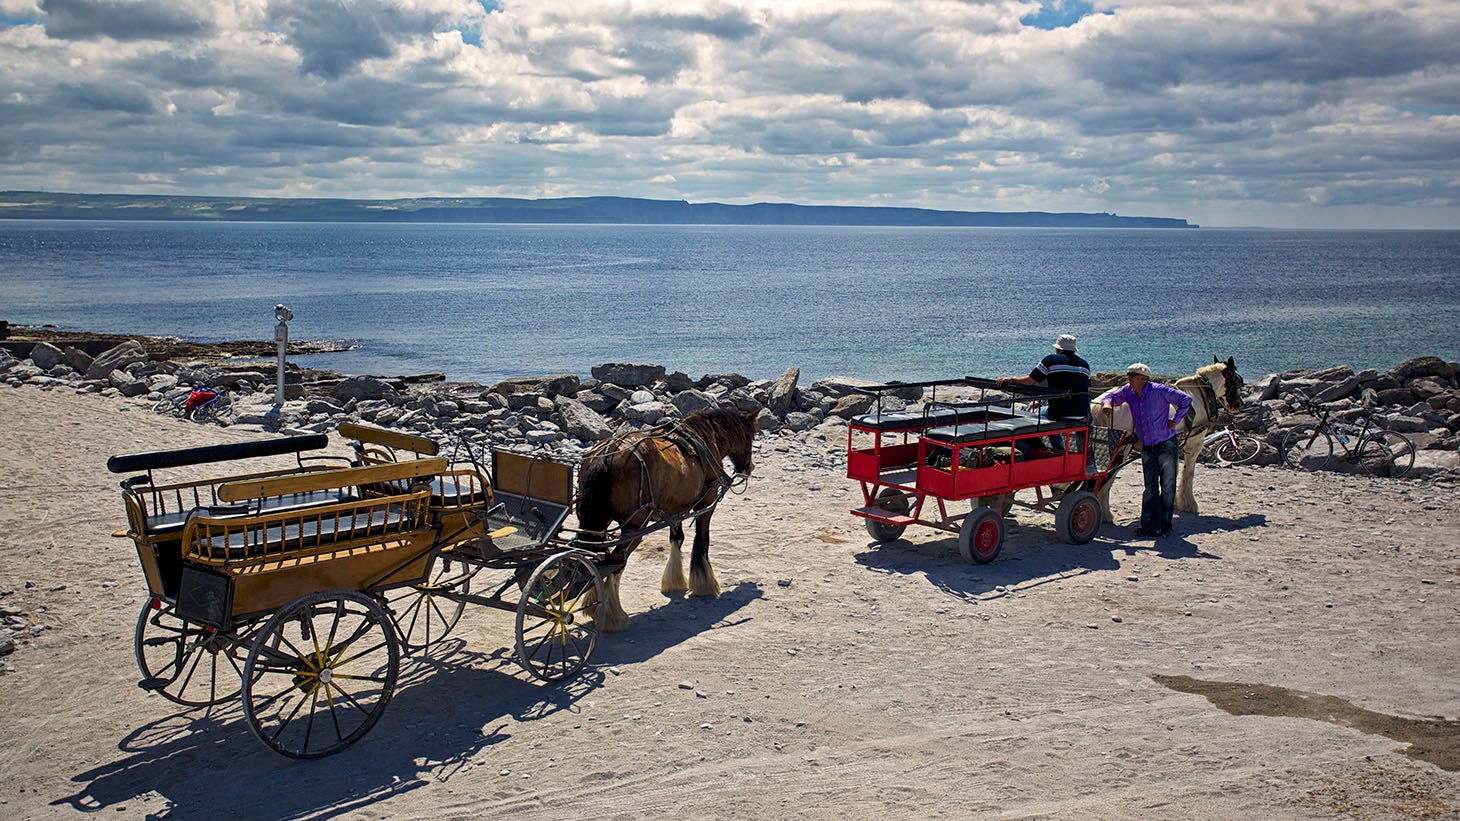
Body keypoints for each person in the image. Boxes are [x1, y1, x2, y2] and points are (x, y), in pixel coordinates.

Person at [1100, 363, 1192, 537]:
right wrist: (1107, 404)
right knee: (1150, 487)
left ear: (1143, 378)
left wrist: (1176, 420)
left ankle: (1164, 525)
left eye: (1132, 377)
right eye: (1129, 376)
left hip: (1166, 444)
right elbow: (1112, 396)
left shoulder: (1159, 390)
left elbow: (1186, 400)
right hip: (1147, 446)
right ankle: (1149, 526)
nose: (1129, 380)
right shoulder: (1129, 391)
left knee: (1167, 486)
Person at [997, 333, 1091, 451]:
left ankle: (1057, 449)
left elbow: (1030, 381)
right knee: (1081, 418)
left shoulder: (1051, 360)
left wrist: (1011, 379)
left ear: (1058, 349)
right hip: (1082, 413)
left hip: (1060, 412)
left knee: (1037, 415)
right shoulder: (1084, 365)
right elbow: (1086, 386)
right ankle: (1086, 455)